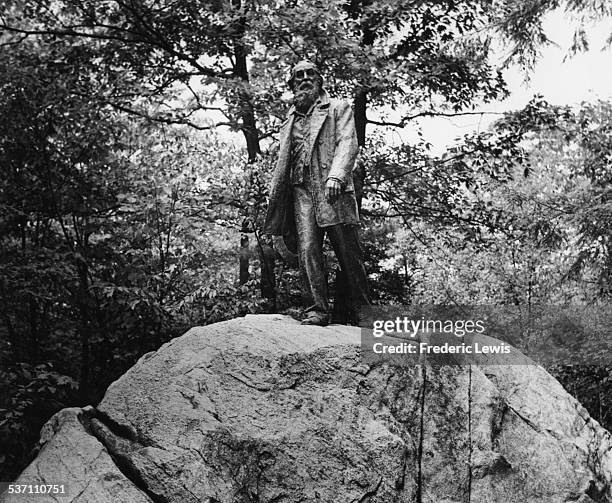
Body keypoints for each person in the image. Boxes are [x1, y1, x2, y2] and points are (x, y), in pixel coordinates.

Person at [263, 60, 370, 326]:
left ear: (320, 80)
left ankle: (365, 313)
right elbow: (284, 160)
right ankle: (317, 308)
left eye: (311, 74)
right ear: (292, 84)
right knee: (308, 249)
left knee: (349, 254)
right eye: (299, 75)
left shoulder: (338, 107)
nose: (305, 78)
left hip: (331, 188)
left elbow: (348, 143)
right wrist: (275, 193)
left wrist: (337, 175)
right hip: (301, 191)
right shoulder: (289, 120)